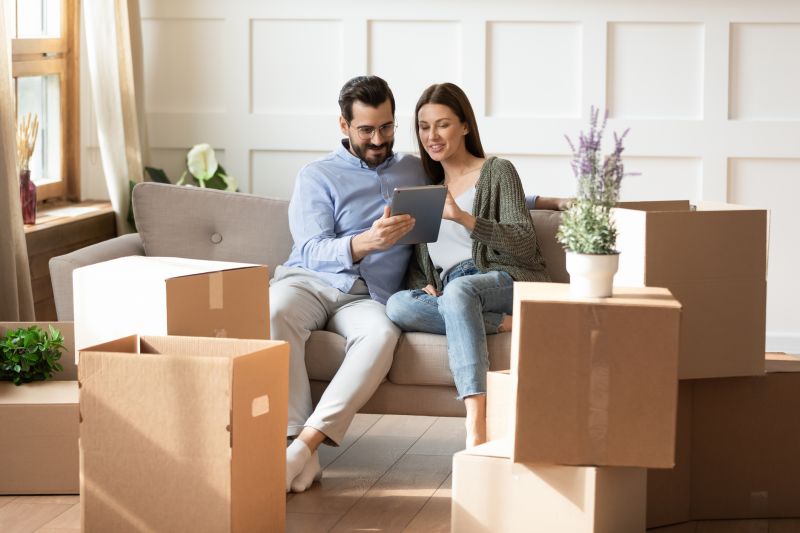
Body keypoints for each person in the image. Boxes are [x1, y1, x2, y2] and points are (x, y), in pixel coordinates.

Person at [271, 76, 426, 493]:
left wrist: (544, 202)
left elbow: (472, 186)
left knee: (381, 335)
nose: (379, 139)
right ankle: (292, 445)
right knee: (274, 311)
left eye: (387, 127)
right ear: (344, 125)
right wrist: (363, 243)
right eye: (366, 130)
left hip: (368, 296)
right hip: (309, 282)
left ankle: (304, 447)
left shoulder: (414, 169)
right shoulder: (317, 175)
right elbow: (310, 248)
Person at [385, 82, 558, 448]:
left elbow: (525, 244)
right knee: (398, 304)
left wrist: (465, 218)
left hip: (503, 278)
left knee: (461, 290)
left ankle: (475, 423)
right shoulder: (425, 188)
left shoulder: (497, 171)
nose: (432, 135)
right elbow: (421, 262)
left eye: (442, 124)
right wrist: (423, 286)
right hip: (454, 289)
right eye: (423, 126)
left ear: (465, 126)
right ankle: (510, 323)